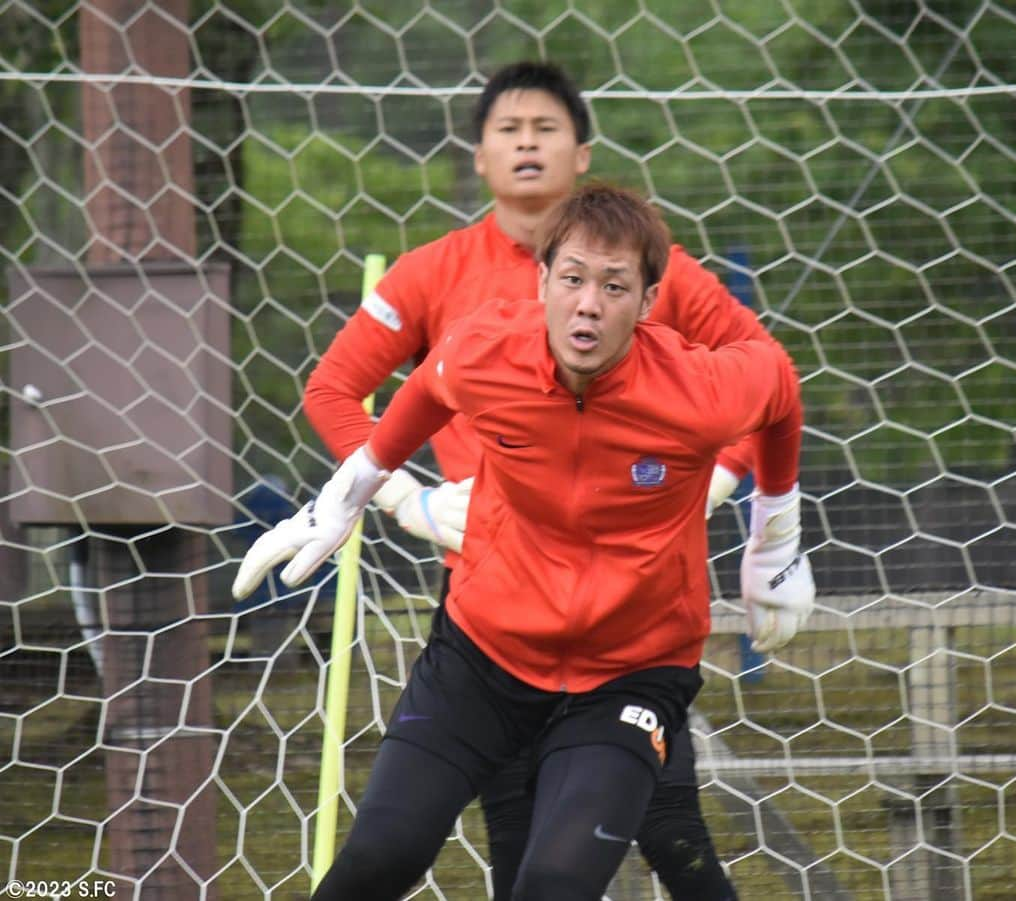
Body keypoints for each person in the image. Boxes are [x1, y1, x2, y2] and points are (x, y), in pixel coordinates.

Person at [301, 60, 805, 901]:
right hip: (492, 611)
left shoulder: (675, 302)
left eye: (547, 128)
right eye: (509, 129)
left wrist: (754, 517)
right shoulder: (462, 310)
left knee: (664, 843)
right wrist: (394, 497)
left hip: (635, 628)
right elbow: (360, 390)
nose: (586, 304)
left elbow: (773, 385)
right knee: (410, 855)